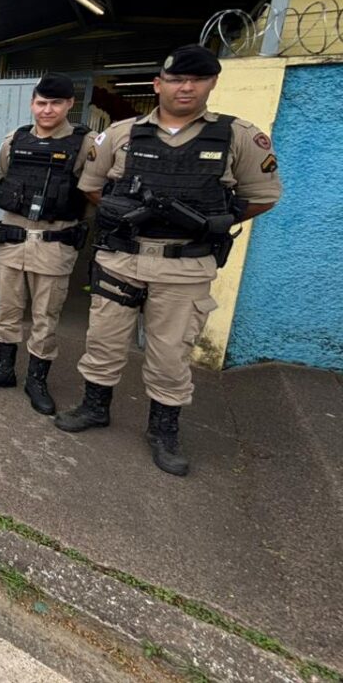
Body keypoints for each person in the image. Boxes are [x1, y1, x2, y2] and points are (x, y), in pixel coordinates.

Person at [54, 45, 282, 476]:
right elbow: (92, 186)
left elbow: (262, 196)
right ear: (158, 84)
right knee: (103, 338)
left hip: (185, 265)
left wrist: (211, 222)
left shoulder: (239, 137)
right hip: (122, 258)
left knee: (170, 353)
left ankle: (163, 430)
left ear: (212, 83)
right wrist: (126, 216)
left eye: (197, 79)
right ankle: (94, 407)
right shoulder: (119, 135)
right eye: (176, 79)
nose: (186, 87)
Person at [0, 72, 93, 414]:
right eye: (41, 102)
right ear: (32, 103)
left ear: (70, 104)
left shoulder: (85, 144)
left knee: (45, 315)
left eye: (55, 103)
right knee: (7, 310)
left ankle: (37, 380)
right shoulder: (14, 140)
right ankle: (4, 369)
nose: (47, 110)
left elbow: (92, 193)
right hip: (13, 241)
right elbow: (6, 176)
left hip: (55, 244)